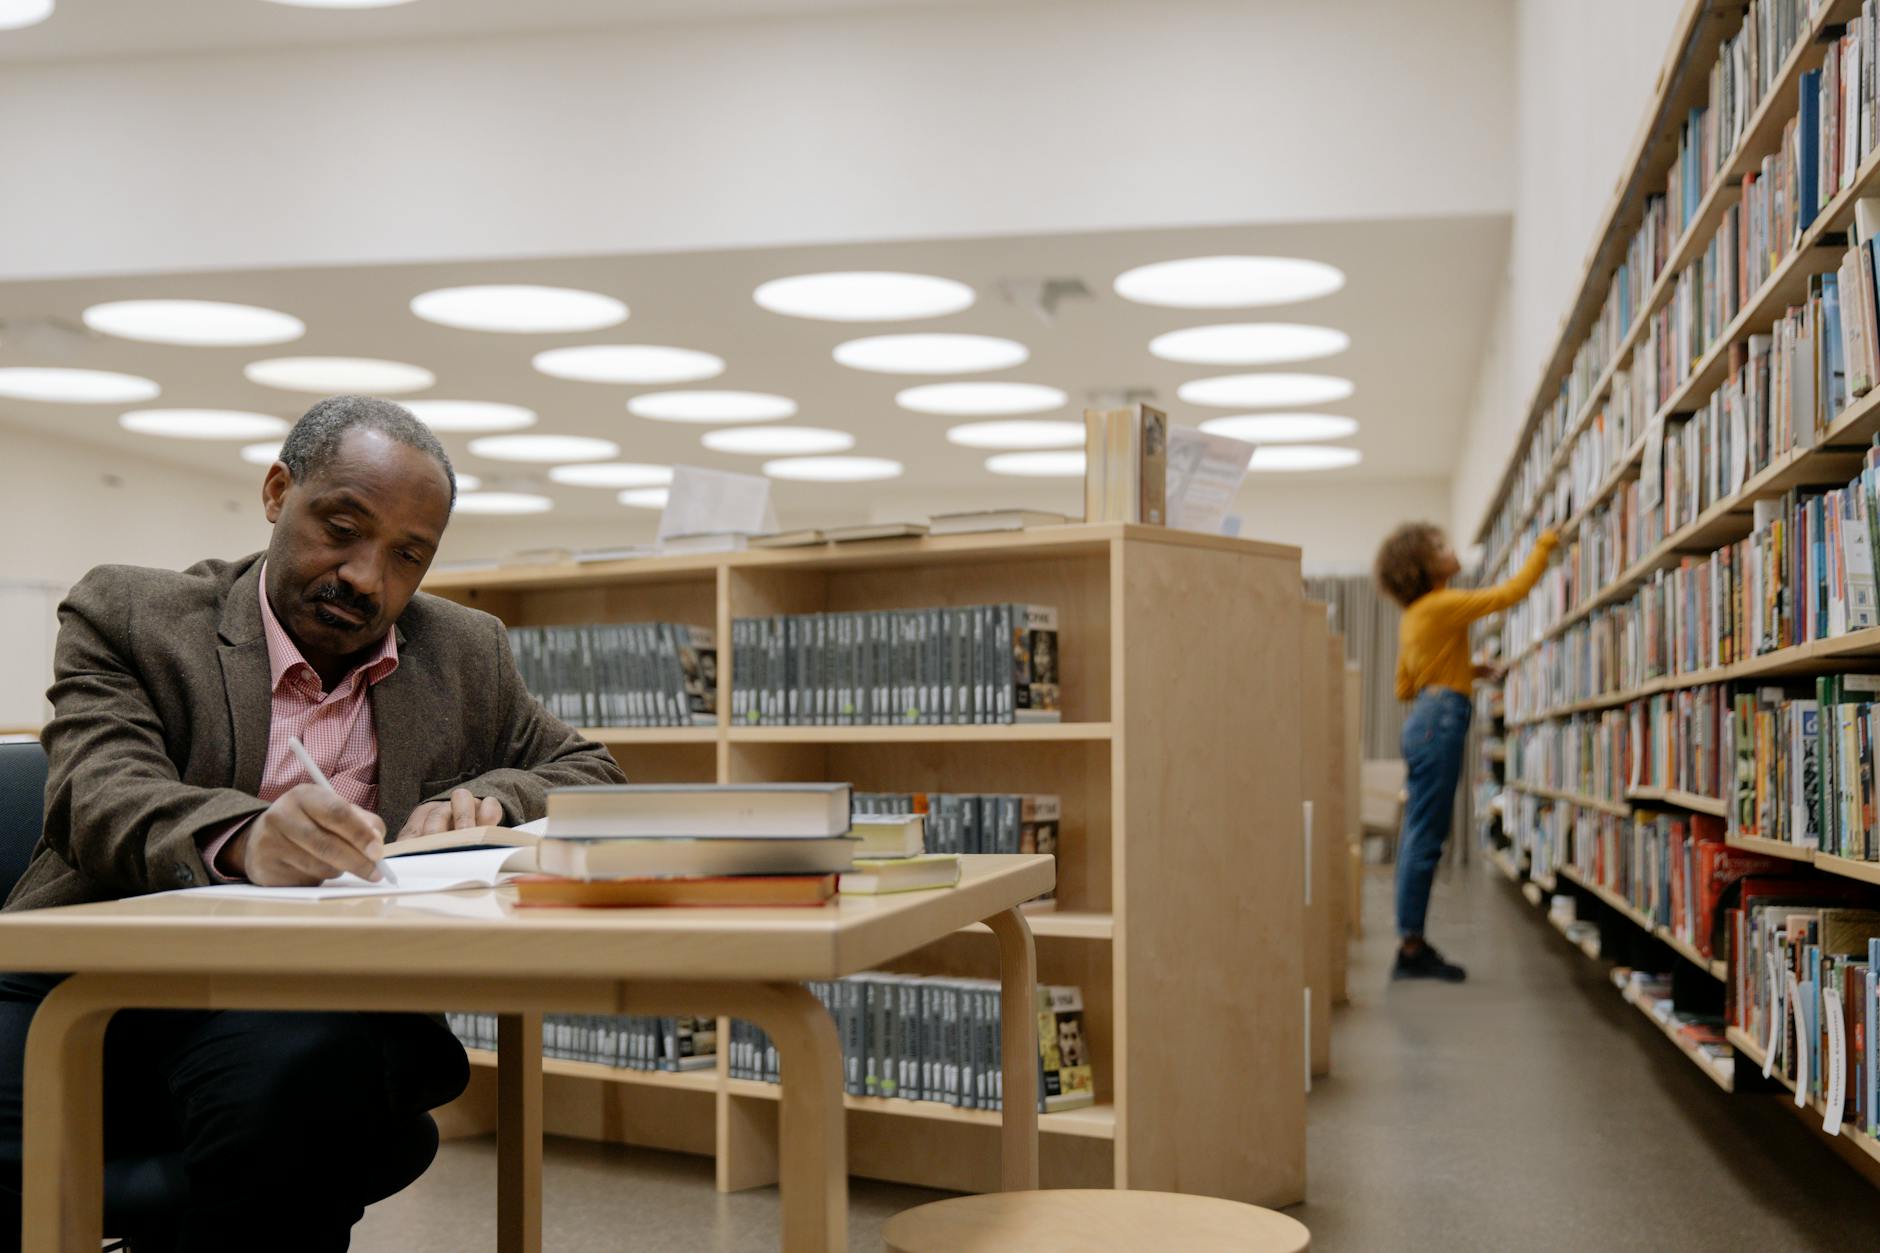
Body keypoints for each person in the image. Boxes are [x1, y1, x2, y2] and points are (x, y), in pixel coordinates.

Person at [0, 395, 628, 1250]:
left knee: (298, 1082)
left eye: (409, 556)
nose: (368, 579)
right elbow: (96, 794)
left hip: (308, 1001)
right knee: (302, 1113)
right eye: (342, 527)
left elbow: (590, 771)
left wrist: (496, 799)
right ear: (276, 492)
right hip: (96, 988)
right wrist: (248, 838)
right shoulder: (133, 616)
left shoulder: (464, 652)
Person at [1374, 522, 1557, 982]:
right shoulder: (1442, 605)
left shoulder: (1414, 615)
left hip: (1424, 719)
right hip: (1441, 720)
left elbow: (1404, 686)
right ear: (1422, 566)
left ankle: (1410, 940)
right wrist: (1546, 543)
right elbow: (1510, 593)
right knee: (1425, 837)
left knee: (1419, 833)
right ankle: (1411, 948)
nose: (1451, 549)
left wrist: (1465, 668)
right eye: (1440, 546)